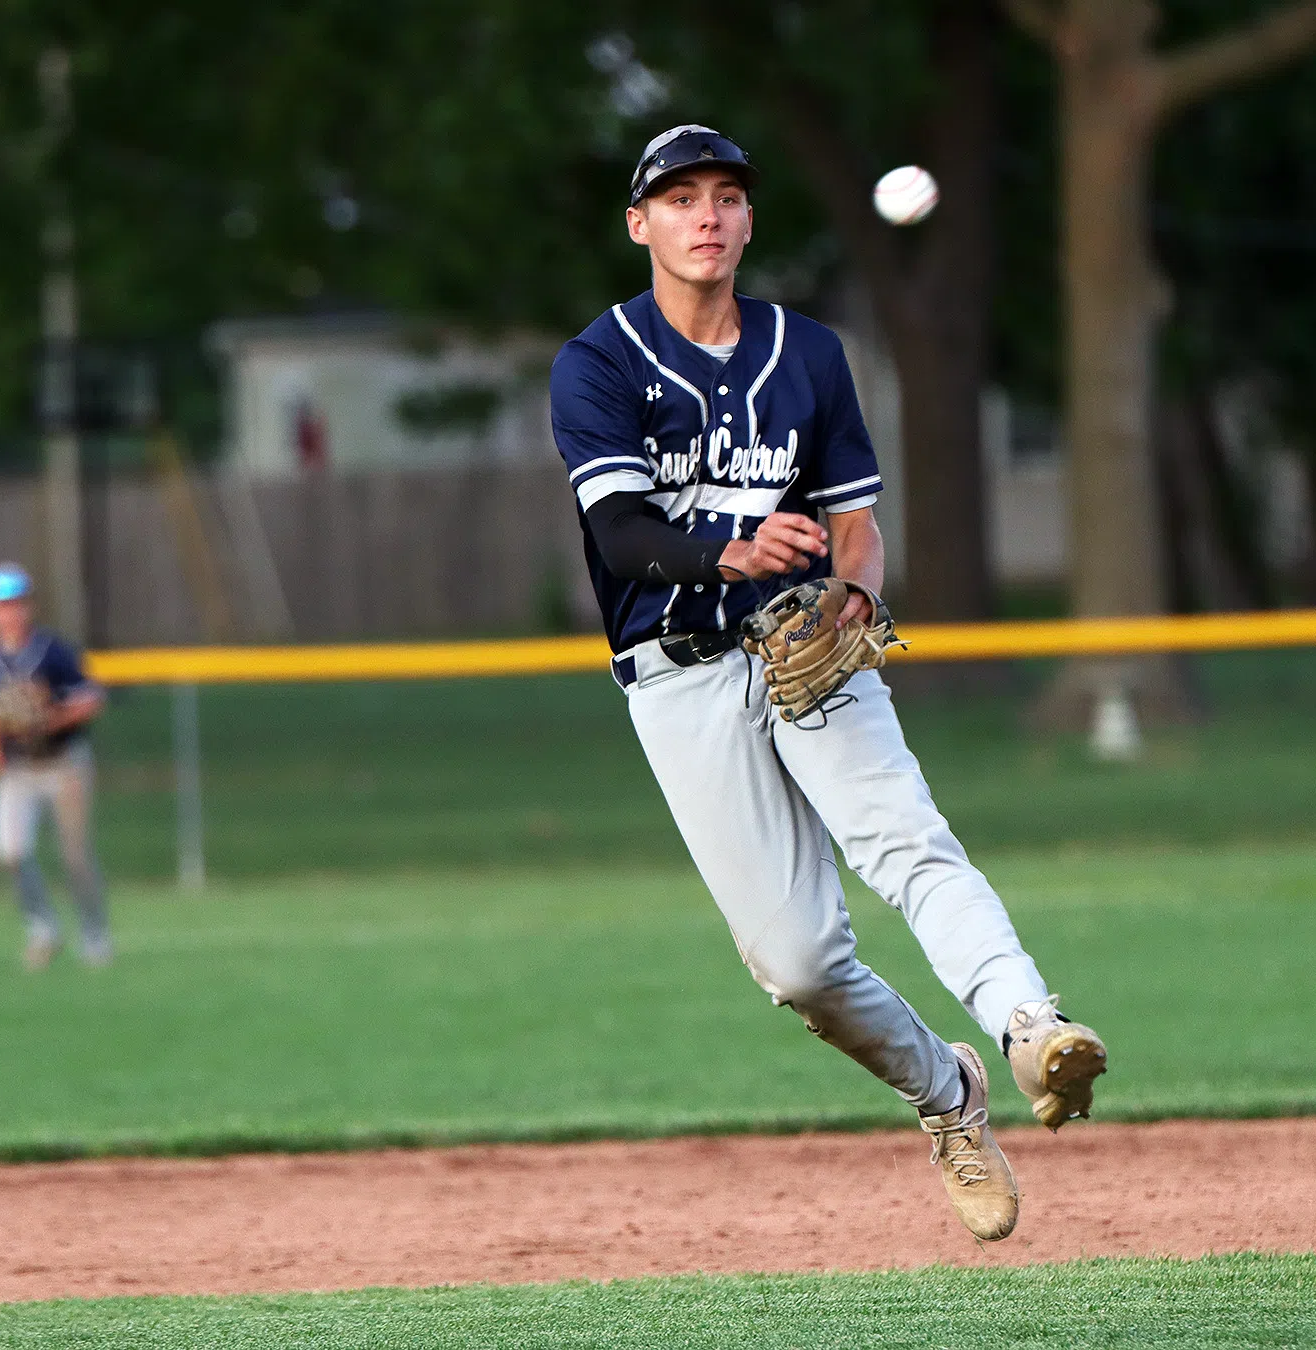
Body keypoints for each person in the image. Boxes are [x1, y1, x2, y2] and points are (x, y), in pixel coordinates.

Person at [548, 125, 1108, 1241]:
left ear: (750, 221)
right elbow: (617, 533)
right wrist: (727, 551)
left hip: (806, 649)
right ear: (640, 224)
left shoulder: (808, 354)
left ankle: (1031, 1025)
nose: (706, 216)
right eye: (680, 199)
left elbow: (855, 527)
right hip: (679, 677)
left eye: (726, 197)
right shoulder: (600, 363)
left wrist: (853, 600)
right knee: (800, 964)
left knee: (908, 843)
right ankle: (947, 1093)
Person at [0, 563, 111, 970]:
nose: (6, 614)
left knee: (75, 856)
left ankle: (95, 936)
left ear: (27, 607)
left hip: (64, 764)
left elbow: (92, 698)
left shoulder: (53, 651)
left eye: (13, 605)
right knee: (8, 852)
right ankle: (43, 928)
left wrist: (51, 718)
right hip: (17, 770)